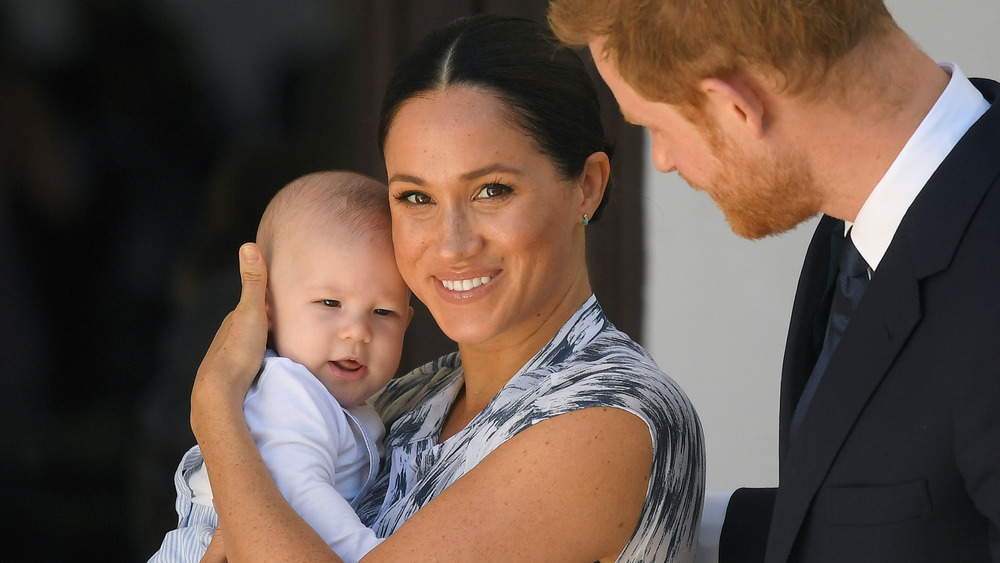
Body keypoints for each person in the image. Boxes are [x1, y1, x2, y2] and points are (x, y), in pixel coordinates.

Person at [189, 14, 705, 563]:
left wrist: (215, 404)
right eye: (416, 197)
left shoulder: (611, 418)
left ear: (588, 186)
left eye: (491, 190)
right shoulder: (410, 398)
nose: (452, 244)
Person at [549, 0, 1000, 561]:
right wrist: (639, 520)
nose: (661, 160)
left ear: (735, 108)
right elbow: (899, 516)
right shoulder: (865, 225)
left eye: (654, 128)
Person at [149, 170, 413, 563]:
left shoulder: (344, 402)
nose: (358, 331)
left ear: (408, 321)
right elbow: (299, 494)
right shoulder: (289, 391)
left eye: (383, 312)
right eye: (329, 304)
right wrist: (371, 555)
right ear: (267, 308)